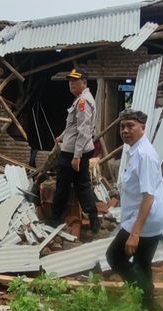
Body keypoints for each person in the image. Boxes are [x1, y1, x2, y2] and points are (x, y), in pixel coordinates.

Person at [106, 109, 163, 310]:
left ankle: (149, 303)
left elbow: (148, 197)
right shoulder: (135, 150)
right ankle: (148, 307)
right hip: (146, 218)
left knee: (115, 256)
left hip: (145, 220)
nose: (125, 130)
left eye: (130, 126)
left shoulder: (144, 155)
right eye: (122, 126)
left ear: (143, 127)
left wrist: (135, 233)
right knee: (142, 263)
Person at [49, 67, 100, 233]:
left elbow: (84, 131)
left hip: (74, 152)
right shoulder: (80, 99)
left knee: (63, 185)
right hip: (76, 149)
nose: (71, 84)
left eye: (75, 81)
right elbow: (73, 126)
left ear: (84, 82)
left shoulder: (83, 101)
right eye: (70, 80)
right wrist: (62, 136)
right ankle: (94, 219)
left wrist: (76, 156)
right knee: (82, 184)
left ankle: (55, 218)